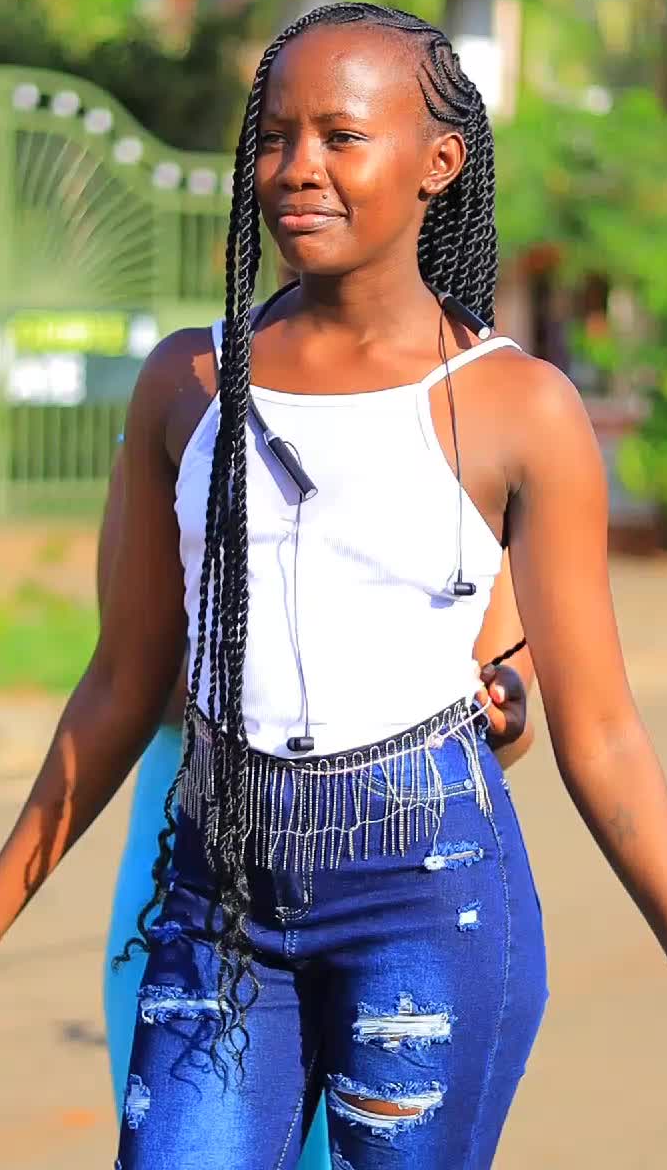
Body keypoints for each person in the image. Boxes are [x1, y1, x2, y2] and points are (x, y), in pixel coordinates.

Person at [0, 3, 667, 1170]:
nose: (297, 168)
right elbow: (122, 682)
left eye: (342, 136)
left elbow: (604, 736)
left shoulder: (519, 406)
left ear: (440, 161)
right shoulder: (186, 383)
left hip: (430, 899)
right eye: (275, 136)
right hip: (218, 894)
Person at [98, 449, 535, 1167]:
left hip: (406, 879)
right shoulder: (191, 407)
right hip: (205, 872)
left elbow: (505, 707)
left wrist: (484, 713)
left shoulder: (473, 414)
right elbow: (130, 675)